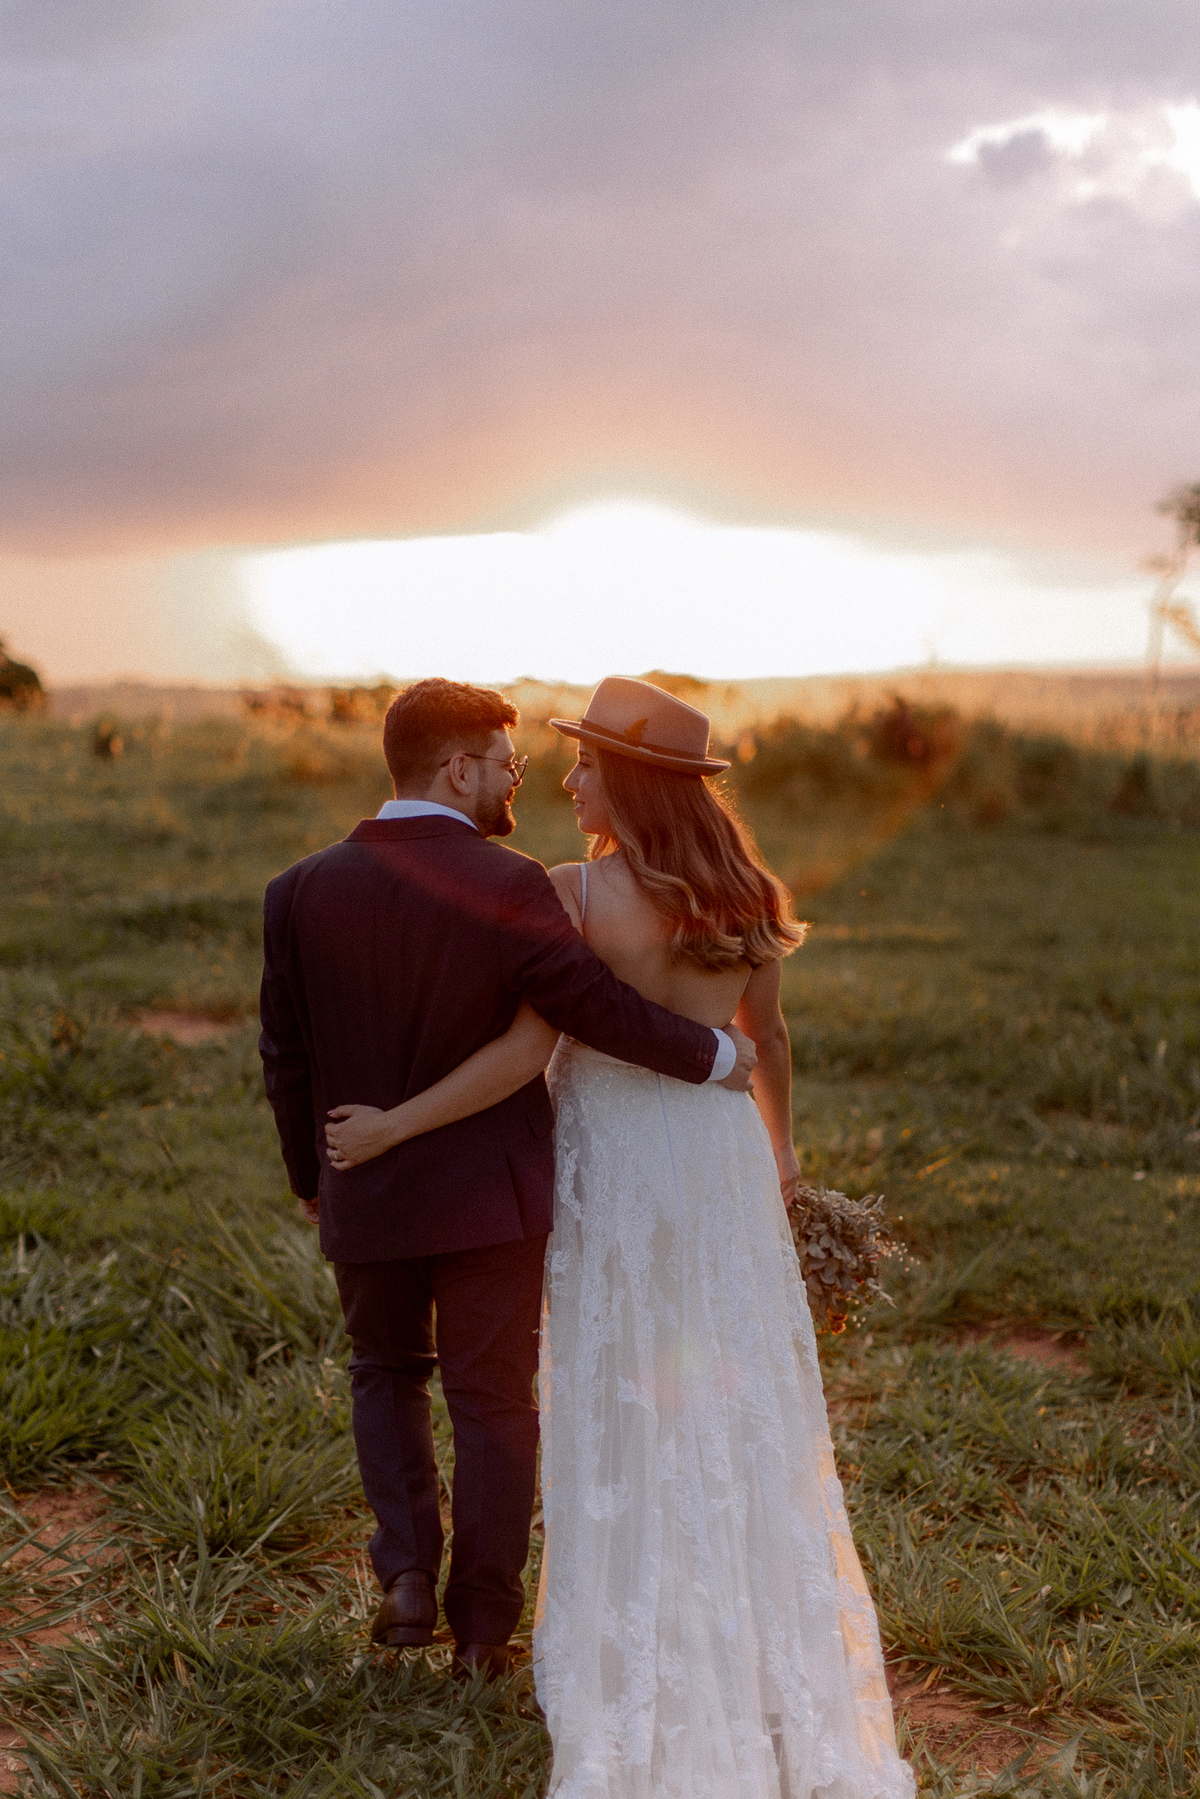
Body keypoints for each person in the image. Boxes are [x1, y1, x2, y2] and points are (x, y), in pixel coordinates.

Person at [326, 677, 915, 1798]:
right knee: (729, 1389)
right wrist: (783, 1155)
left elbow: (526, 1049)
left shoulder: (574, 891)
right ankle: (742, 1617)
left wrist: (400, 1123)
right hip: (718, 1161)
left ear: (630, 781)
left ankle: (627, 1620)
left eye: (586, 762)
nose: (567, 778)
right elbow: (769, 1039)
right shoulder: (749, 895)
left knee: (611, 1384)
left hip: (613, 1161)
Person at [259, 679, 756, 1683]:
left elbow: (286, 1051)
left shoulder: (299, 888)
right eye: (503, 762)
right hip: (491, 1197)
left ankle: (405, 1573)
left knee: (384, 1371)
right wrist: (712, 1055)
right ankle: (484, 1628)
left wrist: (314, 1173)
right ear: (458, 769)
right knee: (492, 1400)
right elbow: (587, 1003)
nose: (517, 779)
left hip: (363, 1176)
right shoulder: (511, 880)